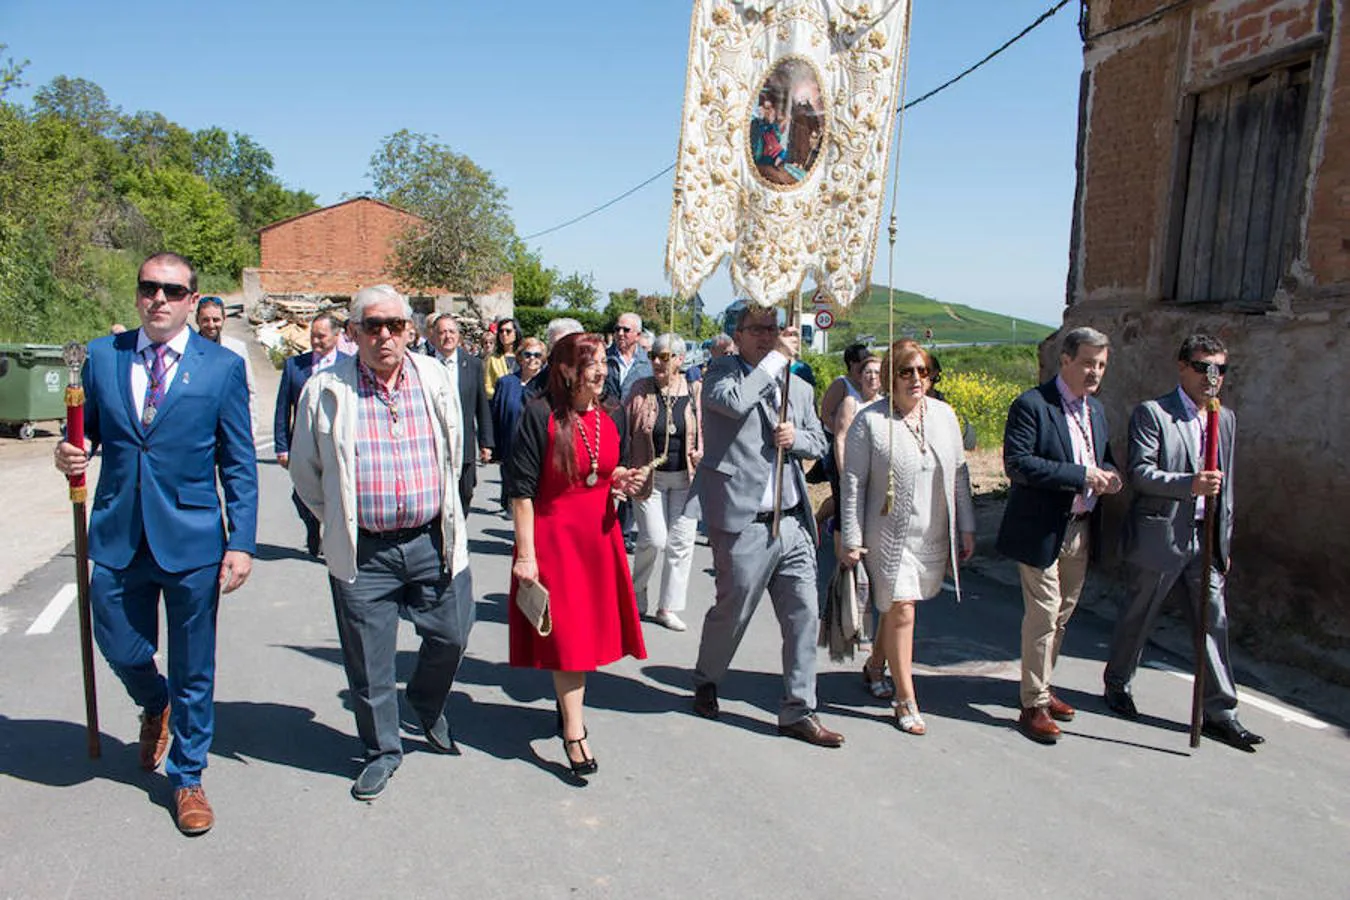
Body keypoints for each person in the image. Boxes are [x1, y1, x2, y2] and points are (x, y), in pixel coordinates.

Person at [53, 252, 257, 835]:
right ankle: (154, 700)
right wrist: (69, 453)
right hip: (119, 533)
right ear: (138, 295)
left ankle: (188, 775)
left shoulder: (219, 368)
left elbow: (239, 462)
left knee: (196, 664)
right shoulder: (101, 357)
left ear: (193, 300)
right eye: (149, 288)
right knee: (117, 641)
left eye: (172, 290)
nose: (159, 299)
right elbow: (82, 433)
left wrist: (240, 541)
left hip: (192, 539)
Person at [288, 284, 475, 801]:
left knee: (454, 634)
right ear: (353, 333)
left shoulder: (435, 378)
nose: (385, 336)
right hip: (365, 551)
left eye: (395, 325)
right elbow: (306, 474)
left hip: (430, 539)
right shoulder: (324, 389)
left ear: (410, 331)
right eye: (373, 326)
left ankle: (426, 699)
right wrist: (342, 519)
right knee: (369, 663)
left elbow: (454, 449)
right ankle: (381, 751)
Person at [689, 305, 842, 747]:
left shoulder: (798, 384)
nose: (766, 336)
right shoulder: (719, 373)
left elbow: (819, 440)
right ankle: (708, 677)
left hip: (792, 519)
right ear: (737, 334)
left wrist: (797, 440)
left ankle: (799, 708)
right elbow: (734, 404)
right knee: (732, 609)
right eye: (757, 329)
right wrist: (776, 359)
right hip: (743, 520)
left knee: (803, 616)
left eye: (772, 329)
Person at [1103, 334, 1264, 751]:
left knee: (1214, 624)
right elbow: (1140, 473)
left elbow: (1226, 489)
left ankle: (1220, 712)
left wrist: (1223, 543)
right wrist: (1189, 485)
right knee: (1138, 616)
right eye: (1203, 368)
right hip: (1161, 536)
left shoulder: (1223, 419)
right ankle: (1118, 682)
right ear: (1182, 367)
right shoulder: (1154, 414)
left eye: (1220, 370)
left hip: (1205, 539)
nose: (1212, 378)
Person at [506, 333, 647, 775]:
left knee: (584, 636)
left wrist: (621, 479)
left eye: (605, 362)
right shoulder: (539, 415)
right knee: (570, 642)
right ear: (567, 369)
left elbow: (601, 470)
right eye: (592, 363)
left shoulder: (610, 416)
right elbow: (522, 493)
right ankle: (574, 732)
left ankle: (568, 713)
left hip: (598, 540)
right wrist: (526, 555)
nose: (602, 371)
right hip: (555, 543)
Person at [996, 326, 1123, 745]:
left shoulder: (1096, 410)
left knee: (1063, 614)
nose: (1094, 372)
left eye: (1101, 365)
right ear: (1065, 360)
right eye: (1088, 362)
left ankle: (1044, 686)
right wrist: (1082, 475)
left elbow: (1101, 457)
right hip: (1041, 527)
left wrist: (1111, 476)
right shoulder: (1033, 405)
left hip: (1080, 528)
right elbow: (1018, 463)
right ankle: (1032, 703)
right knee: (1045, 613)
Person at [841, 340, 975, 734]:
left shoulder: (945, 416)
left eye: (923, 371)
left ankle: (874, 666)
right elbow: (853, 483)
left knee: (899, 607)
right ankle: (905, 698)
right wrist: (851, 538)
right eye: (906, 371)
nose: (917, 379)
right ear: (890, 377)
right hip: (887, 536)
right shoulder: (871, 422)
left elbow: (961, 475)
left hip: (931, 532)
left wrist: (965, 525)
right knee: (901, 608)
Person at [626, 333, 703, 631]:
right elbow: (625, 429)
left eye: (665, 356)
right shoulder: (640, 390)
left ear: (680, 360)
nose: (657, 361)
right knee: (654, 539)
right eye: (653, 356)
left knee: (681, 544)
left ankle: (667, 606)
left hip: (686, 477)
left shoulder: (695, 391)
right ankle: (637, 591)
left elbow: (706, 429)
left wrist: (701, 451)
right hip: (650, 478)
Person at [273, 313, 349, 556]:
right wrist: (281, 446)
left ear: (337, 336)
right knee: (302, 493)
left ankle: (334, 536)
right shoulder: (295, 366)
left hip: (338, 443)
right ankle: (313, 527)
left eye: (321, 336)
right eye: (313, 336)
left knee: (337, 492)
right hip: (304, 444)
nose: (315, 341)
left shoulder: (350, 365)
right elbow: (283, 408)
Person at [430, 313, 494, 513]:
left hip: (464, 442)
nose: (447, 336)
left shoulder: (473, 364)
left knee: (465, 491)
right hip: (434, 443)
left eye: (451, 331)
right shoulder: (424, 364)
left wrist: (486, 442)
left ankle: (459, 529)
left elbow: (481, 404)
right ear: (433, 337)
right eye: (442, 332)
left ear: (458, 336)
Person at [491, 336, 546, 511]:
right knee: (514, 502)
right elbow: (496, 416)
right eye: (528, 354)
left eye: (538, 355)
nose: (532, 359)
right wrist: (493, 448)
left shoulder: (547, 385)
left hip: (538, 452)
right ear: (520, 357)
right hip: (510, 450)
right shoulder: (506, 383)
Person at [195, 295, 258, 435]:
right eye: (205, 320)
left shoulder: (237, 349)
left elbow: (250, 391)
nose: (211, 325)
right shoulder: (187, 349)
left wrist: (250, 430)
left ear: (224, 319)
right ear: (197, 320)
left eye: (216, 320)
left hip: (229, 427)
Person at [603, 312, 652, 404]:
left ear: (638, 335)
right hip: (607, 415)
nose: (620, 333)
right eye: (617, 329)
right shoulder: (603, 358)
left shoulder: (649, 363)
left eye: (626, 330)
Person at [484, 316, 520, 399]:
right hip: (501, 405)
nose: (504, 334)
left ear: (516, 333)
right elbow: (487, 386)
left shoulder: (523, 356)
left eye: (508, 331)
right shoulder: (493, 359)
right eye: (501, 331)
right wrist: (502, 396)